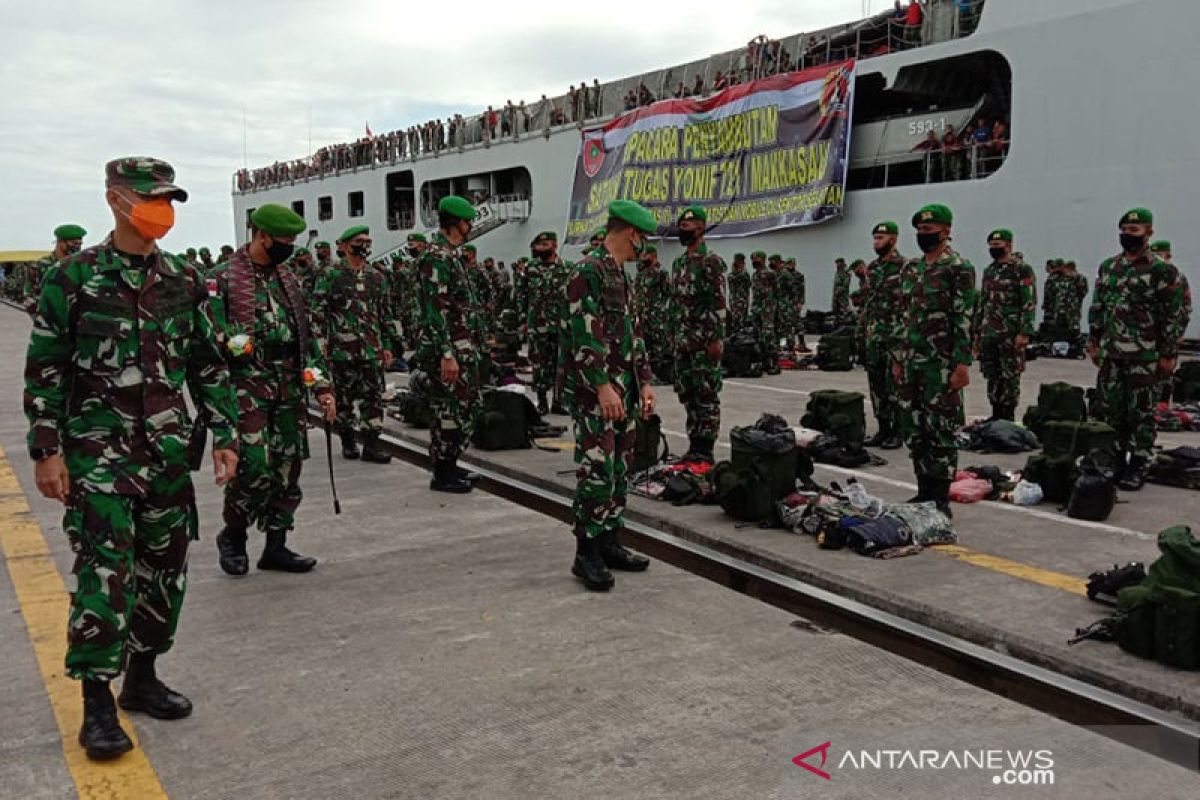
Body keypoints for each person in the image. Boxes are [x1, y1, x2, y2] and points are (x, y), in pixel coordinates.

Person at [23, 156, 239, 761]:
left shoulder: (184, 280)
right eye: (152, 198)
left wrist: (225, 432)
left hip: (168, 455)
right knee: (104, 577)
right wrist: (47, 450)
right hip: (98, 458)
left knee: (165, 574)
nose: (162, 211)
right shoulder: (73, 278)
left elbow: (208, 362)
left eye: (168, 200)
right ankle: (96, 704)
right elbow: (46, 368)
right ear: (117, 199)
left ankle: (140, 680)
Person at [208, 204, 336, 576]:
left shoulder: (288, 279)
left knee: (288, 465)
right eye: (282, 240)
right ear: (261, 235)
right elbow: (208, 336)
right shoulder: (223, 279)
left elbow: (306, 339)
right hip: (246, 386)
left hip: (288, 386)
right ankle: (233, 535)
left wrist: (322, 387)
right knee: (253, 466)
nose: (288, 247)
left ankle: (276, 544)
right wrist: (233, 343)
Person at [562, 200, 657, 591]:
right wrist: (601, 385)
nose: (645, 246)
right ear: (631, 233)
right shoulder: (588, 271)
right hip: (597, 394)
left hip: (626, 390)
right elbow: (583, 335)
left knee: (620, 471)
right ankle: (586, 553)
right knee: (597, 472)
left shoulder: (621, 275)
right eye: (644, 238)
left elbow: (633, 335)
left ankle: (610, 541)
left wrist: (646, 382)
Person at [1089, 209, 1189, 490]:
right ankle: (1118, 457)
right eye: (1125, 229)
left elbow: (1174, 314)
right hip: (1111, 352)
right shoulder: (1109, 266)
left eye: (1134, 229)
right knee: (1112, 408)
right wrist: (1094, 341)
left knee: (1141, 411)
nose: (1128, 235)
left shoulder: (1162, 270)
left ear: (1149, 232)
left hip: (1144, 354)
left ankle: (1140, 460)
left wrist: (1168, 354)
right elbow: (1099, 306)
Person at [894, 204, 976, 515]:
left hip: (941, 365)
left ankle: (940, 499)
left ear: (945, 231)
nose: (923, 236)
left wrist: (962, 364)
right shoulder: (911, 268)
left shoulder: (958, 267)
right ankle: (923, 492)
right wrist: (898, 358)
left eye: (928, 231)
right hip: (912, 362)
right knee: (915, 428)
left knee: (940, 429)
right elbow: (903, 315)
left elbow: (964, 318)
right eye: (919, 231)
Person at [416, 196, 489, 492]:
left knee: (463, 409)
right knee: (449, 410)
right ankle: (442, 473)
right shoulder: (436, 257)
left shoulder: (450, 255)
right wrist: (447, 353)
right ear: (458, 223)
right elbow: (436, 309)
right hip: (450, 351)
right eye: (468, 221)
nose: (470, 226)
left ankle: (450, 464)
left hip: (463, 348)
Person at [310, 225, 396, 464]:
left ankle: (371, 445)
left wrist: (387, 344)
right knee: (344, 399)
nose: (365, 245)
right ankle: (348, 441)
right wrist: (320, 344)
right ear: (345, 245)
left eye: (368, 241)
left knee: (373, 399)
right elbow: (316, 313)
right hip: (341, 350)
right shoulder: (331, 275)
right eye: (359, 241)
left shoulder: (377, 277)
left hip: (370, 348)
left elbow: (384, 314)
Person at [670, 206, 727, 463]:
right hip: (683, 342)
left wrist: (717, 339)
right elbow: (675, 304)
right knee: (689, 394)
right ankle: (694, 446)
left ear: (701, 228)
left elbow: (718, 303)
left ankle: (705, 450)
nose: (683, 230)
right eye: (681, 226)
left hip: (704, 342)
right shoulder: (679, 263)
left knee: (706, 396)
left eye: (687, 227)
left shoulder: (711, 261)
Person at [973, 229, 1036, 421]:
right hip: (989, 331)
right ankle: (995, 412)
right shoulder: (989, 270)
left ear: (1008, 245)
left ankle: (1007, 415)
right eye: (991, 245)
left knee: (1009, 375)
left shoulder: (1021, 269)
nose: (994, 249)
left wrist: (1025, 332)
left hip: (1010, 332)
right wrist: (977, 331)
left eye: (998, 245)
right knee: (992, 374)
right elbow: (983, 302)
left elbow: (1029, 301)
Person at [861, 223, 907, 450]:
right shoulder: (874, 268)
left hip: (895, 338)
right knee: (877, 386)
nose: (876, 242)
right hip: (875, 336)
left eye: (881, 238)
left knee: (894, 386)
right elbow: (869, 304)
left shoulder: (905, 267)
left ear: (893, 239)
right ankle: (883, 428)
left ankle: (898, 432)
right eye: (875, 238)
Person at [525, 232, 564, 414]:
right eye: (539, 245)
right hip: (537, 324)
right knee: (539, 364)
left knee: (560, 364)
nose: (541, 248)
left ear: (555, 245)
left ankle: (558, 402)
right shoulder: (530, 269)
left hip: (559, 325)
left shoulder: (566, 268)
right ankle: (541, 402)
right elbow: (521, 295)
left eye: (546, 244)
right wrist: (522, 320)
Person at [24, 223, 87, 316]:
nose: (77, 247)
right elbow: (28, 295)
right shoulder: (40, 265)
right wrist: (40, 318)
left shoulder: (82, 266)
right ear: (60, 242)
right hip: (48, 320)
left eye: (79, 243)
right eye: (73, 243)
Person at [633, 244, 672, 383]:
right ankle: (648, 375)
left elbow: (668, 292)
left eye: (645, 255)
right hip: (642, 315)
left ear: (653, 256)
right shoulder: (641, 273)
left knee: (658, 345)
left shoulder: (661, 272)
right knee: (645, 345)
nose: (642, 258)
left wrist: (659, 307)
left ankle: (660, 374)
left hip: (656, 316)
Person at [749, 251, 779, 374]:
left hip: (767, 307)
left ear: (763, 259)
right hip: (757, 306)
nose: (754, 261)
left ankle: (771, 361)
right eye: (753, 259)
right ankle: (760, 360)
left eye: (756, 259)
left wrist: (772, 303)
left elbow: (777, 289)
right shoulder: (754, 275)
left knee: (768, 333)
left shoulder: (770, 274)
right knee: (757, 333)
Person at [726, 253, 752, 334]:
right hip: (736, 300)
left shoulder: (745, 274)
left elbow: (749, 284)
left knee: (744, 316)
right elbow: (734, 279)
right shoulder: (731, 275)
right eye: (741, 262)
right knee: (736, 318)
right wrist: (738, 270)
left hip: (744, 299)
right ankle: (737, 332)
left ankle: (742, 330)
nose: (743, 264)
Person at [831, 257, 854, 327]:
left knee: (844, 312)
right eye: (836, 263)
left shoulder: (846, 273)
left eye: (838, 263)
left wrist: (838, 291)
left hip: (842, 296)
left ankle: (845, 326)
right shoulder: (837, 272)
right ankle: (837, 326)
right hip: (835, 296)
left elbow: (845, 285)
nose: (837, 265)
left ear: (842, 263)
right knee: (835, 311)